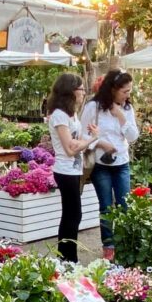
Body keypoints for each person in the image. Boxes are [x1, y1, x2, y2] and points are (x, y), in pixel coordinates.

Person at [81, 69, 140, 261]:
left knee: (125, 204)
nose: (128, 95)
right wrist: (100, 143)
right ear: (112, 89)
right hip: (100, 163)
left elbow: (133, 137)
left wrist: (120, 115)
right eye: (125, 91)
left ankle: (123, 243)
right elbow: (82, 136)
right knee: (106, 205)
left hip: (121, 162)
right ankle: (108, 245)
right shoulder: (93, 107)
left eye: (130, 91)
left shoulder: (127, 109)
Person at [47, 73, 101, 262]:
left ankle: (67, 257)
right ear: (71, 91)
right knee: (72, 215)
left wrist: (87, 138)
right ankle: (68, 259)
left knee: (72, 214)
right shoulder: (59, 115)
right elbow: (70, 148)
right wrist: (93, 139)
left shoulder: (71, 113)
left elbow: (76, 141)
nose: (84, 92)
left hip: (74, 169)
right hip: (65, 170)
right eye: (81, 89)